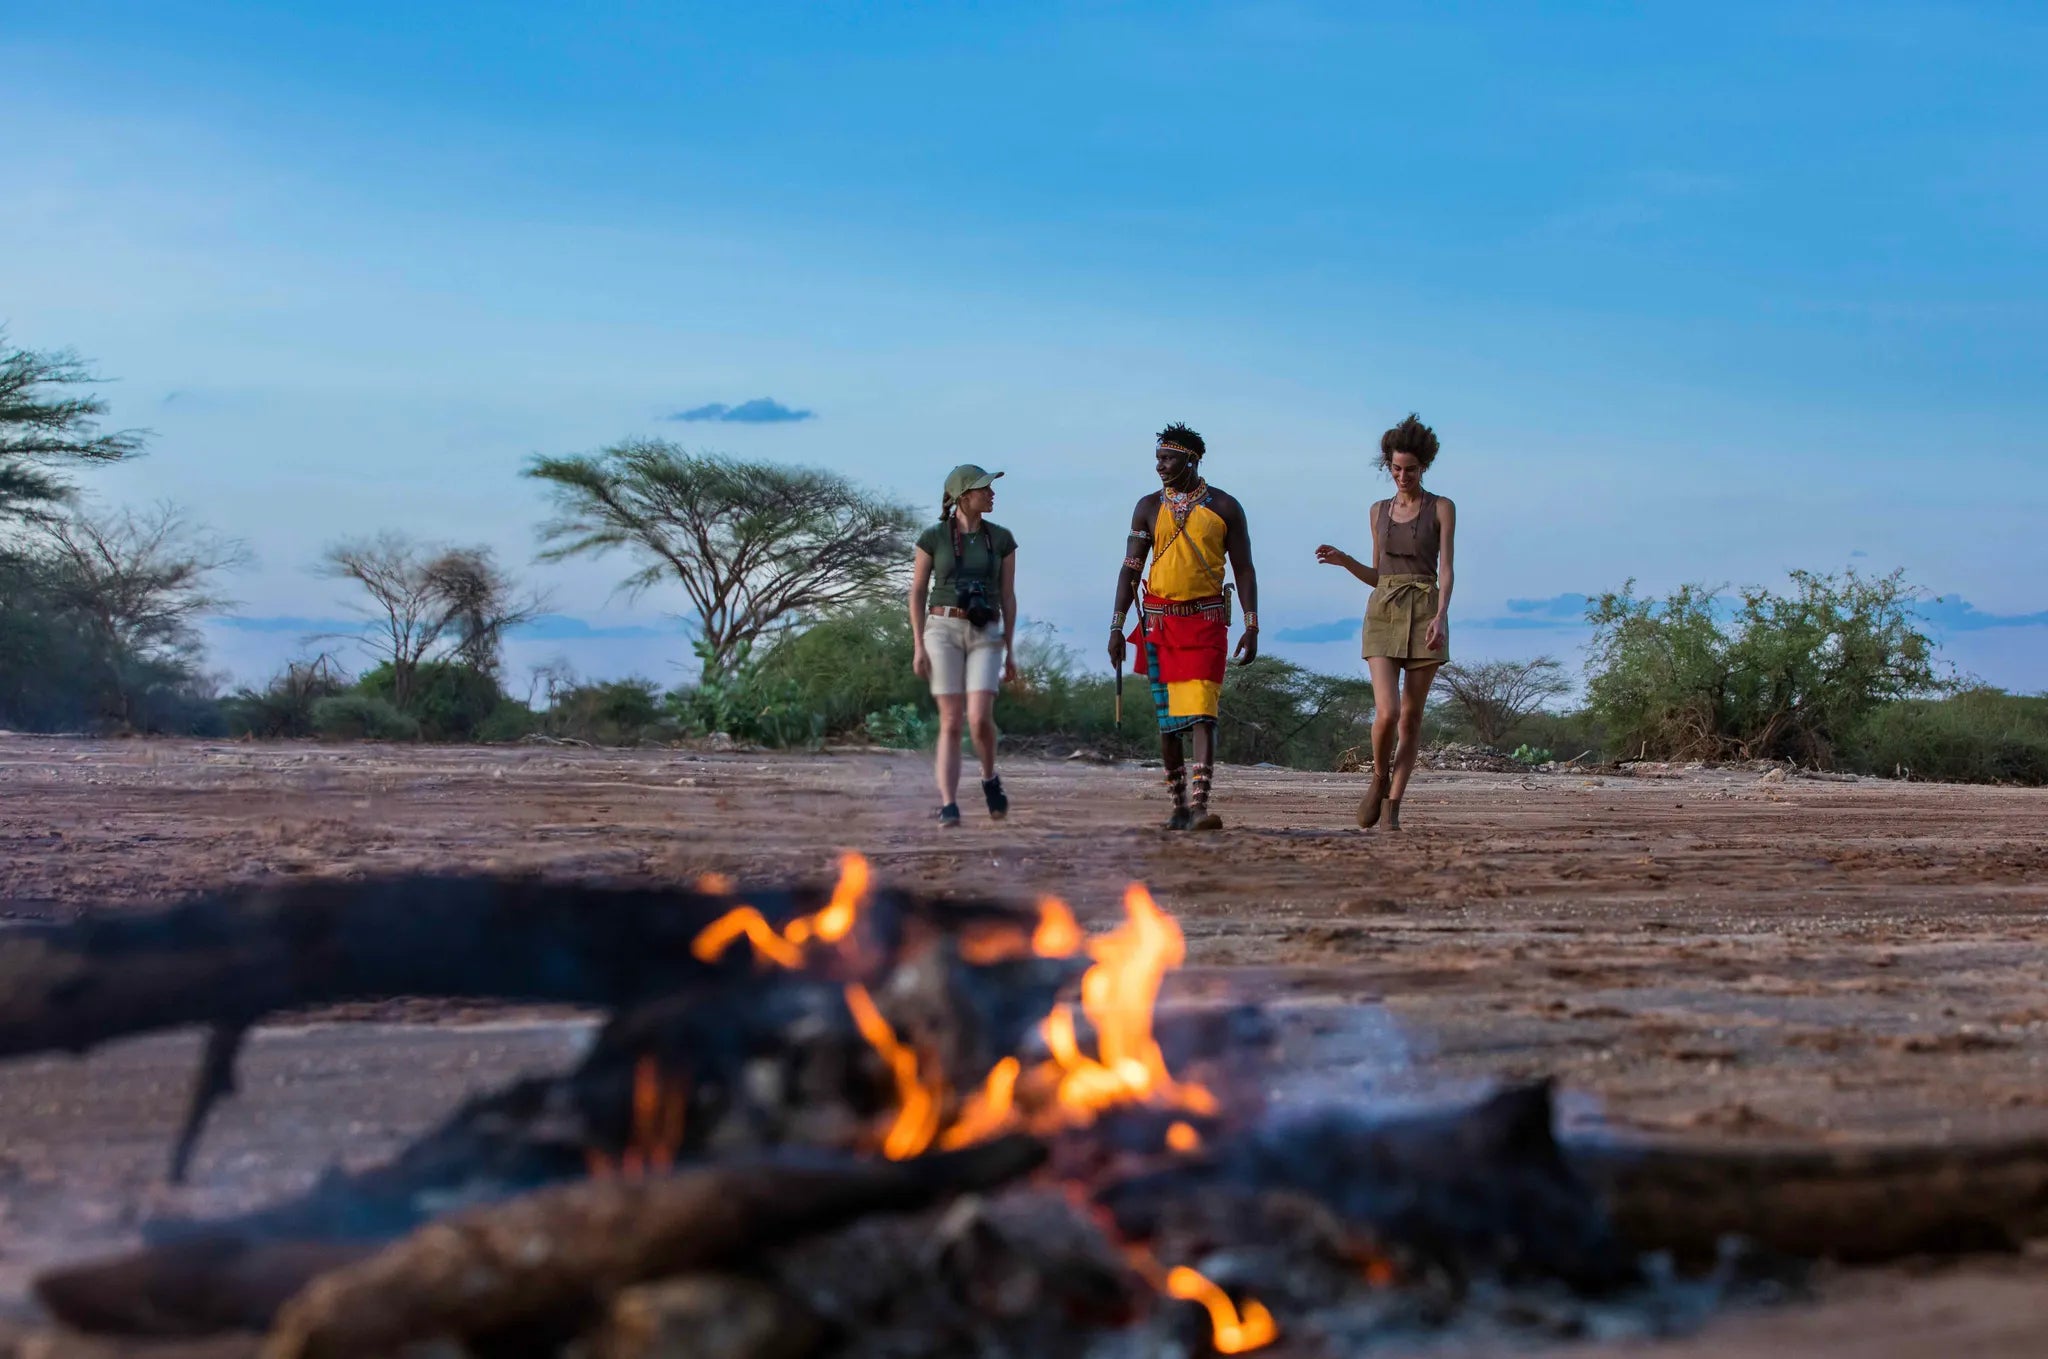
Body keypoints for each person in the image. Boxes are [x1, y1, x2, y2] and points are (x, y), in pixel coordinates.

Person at [1106, 423, 1260, 831]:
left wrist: (1251, 623)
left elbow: (1244, 569)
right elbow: (1130, 569)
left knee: (1203, 713)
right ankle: (1178, 807)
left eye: (1168, 459)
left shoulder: (1225, 507)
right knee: (1170, 722)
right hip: (1160, 624)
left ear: (1191, 461)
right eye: (1158, 459)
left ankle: (1199, 807)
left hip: (1206, 622)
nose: (1160, 466)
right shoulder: (1147, 507)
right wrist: (1116, 626)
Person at [1315, 413, 1456, 830]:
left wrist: (1442, 615)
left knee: (1411, 717)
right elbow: (1378, 575)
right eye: (1395, 469)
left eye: (1410, 469)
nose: (1402, 477)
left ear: (1423, 467)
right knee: (1388, 712)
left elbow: (1447, 569)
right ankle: (1378, 778)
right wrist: (1345, 561)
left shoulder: (1442, 508)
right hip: (1383, 610)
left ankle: (1393, 805)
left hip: (1426, 609)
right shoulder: (1377, 510)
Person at [910, 463, 1019, 827]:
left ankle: (989, 778)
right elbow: (917, 592)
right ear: (963, 496)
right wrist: (918, 645)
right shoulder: (933, 537)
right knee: (951, 720)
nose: (991, 494)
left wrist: (1010, 649)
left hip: (986, 630)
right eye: (984, 488)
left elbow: (1007, 595)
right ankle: (949, 803)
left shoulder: (1001, 539)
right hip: (942, 628)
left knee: (979, 718)